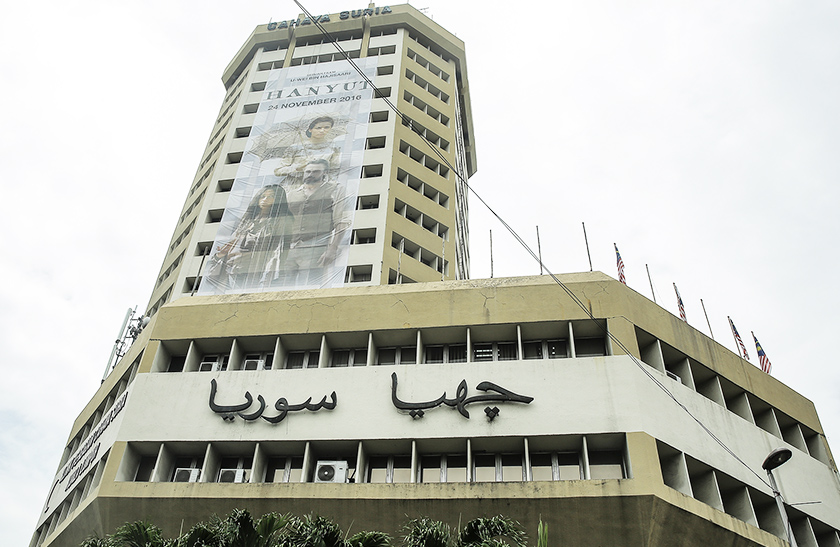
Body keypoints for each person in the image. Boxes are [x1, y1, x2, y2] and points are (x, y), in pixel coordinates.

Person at [204, 184, 292, 292]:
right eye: (263, 196)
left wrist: (267, 277)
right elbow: (232, 242)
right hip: (233, 268)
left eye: (270, 196)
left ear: (278, 199)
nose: (265, 199)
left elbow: (278, 249)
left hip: (256, 270)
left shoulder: (282, 220)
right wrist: (219, 256)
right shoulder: (248, 219)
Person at [283, 159, 353, 287]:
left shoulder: (335, 190)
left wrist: (333, 248)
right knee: (283, 286)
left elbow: (341, 221)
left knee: (310, 286)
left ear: (324, 173)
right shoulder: (291, 194)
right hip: (289, 248)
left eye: (315, 171)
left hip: (315, 247)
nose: (310, 174)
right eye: (308, 171)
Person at [273, 116, 341, 186]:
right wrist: (298, 167)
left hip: (317, 186)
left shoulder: (333, 147)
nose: (322, 130)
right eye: (318, 128)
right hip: (295, 185)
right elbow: (278, 171)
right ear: (310, 129)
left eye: (326, 127)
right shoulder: (295, 147)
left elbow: (334, 170)